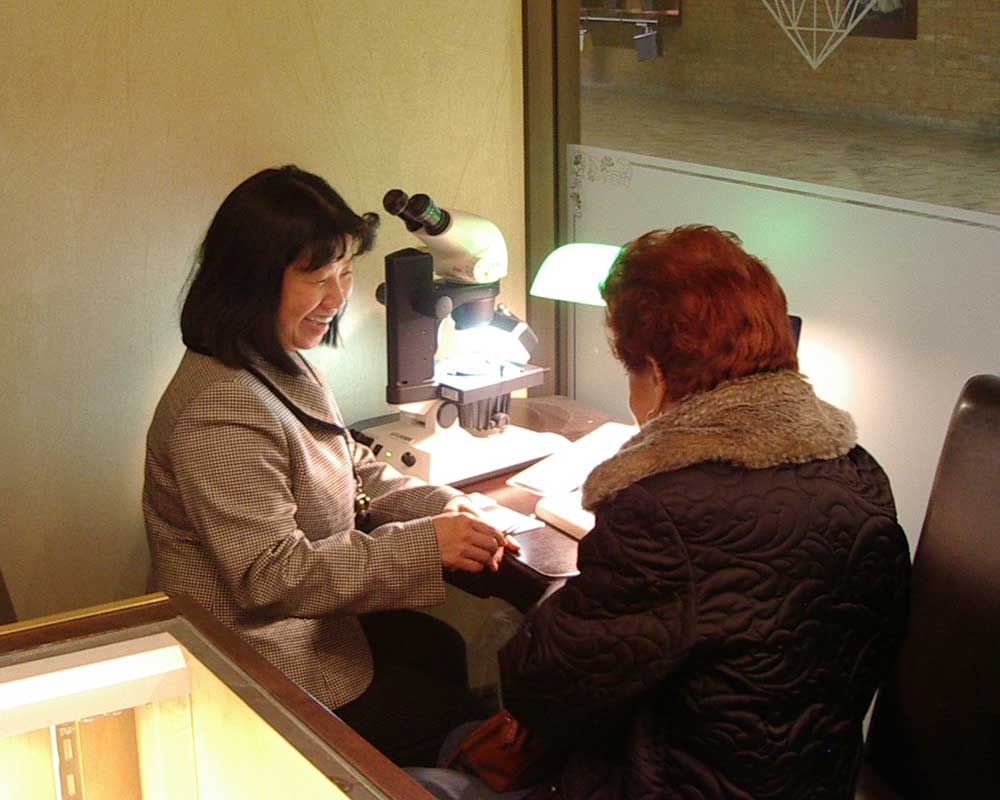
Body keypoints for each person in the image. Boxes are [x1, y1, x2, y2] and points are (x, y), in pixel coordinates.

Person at [409, 225, 911, 798]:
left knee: (444, 763)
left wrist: (583, 590)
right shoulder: (864, 472)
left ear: (656, 368)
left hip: (666, 784)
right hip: (816, 778)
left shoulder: (663, 510)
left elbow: (539, 682)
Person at [143, 165, 516, 766]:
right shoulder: (218, 410)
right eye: (319, 276)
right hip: (262, 658)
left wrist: (442, 504)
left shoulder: (272, 355)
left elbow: (351, 462)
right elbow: (272, 576)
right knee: (455, 708)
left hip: (315, 626)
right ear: (253, 280)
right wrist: (426, 546)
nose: (340, 296)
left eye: (345, 271)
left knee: (442, 647)